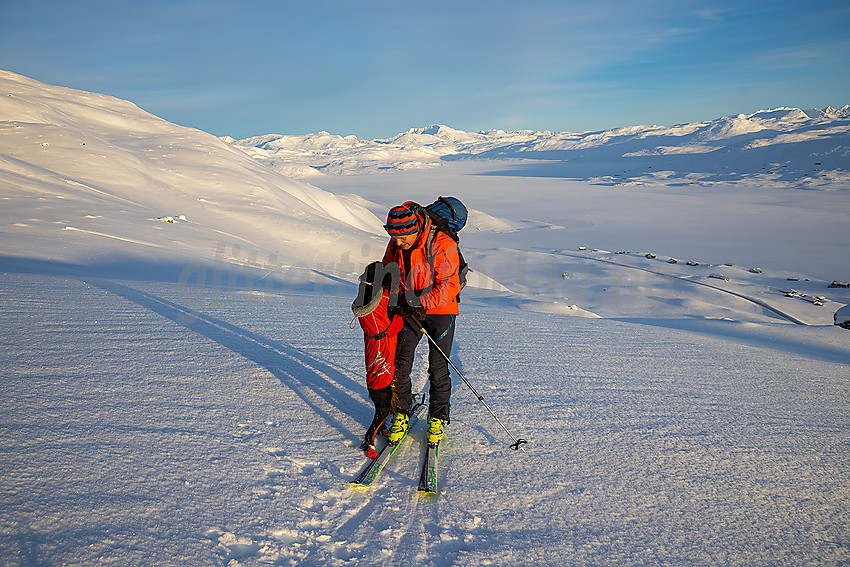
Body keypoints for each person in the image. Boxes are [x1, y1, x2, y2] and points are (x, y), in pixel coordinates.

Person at [381, 202, 461, 446]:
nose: (398, 242)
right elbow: (389, 269)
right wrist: (386, 288)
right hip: (409, 307)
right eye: (394, 237)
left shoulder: (442, 244)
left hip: (441, 311)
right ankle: (401, 413)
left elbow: (448, 286)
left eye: (403, 237)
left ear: (415, 229)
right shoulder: (397, 242)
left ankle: (437, 417)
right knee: (400, 363)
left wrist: (414, 302)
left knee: (437, 368)